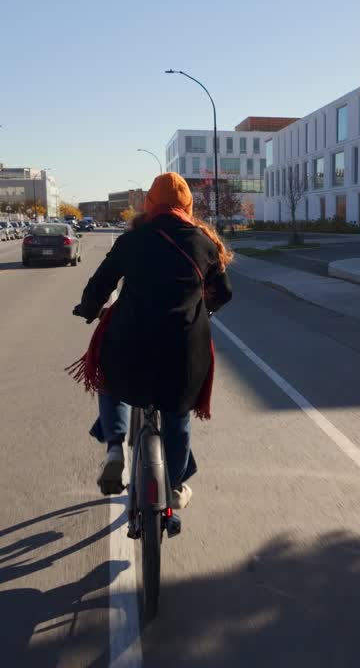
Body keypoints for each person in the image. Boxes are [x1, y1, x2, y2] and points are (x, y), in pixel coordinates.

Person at [70, 172, 234, 510]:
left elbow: (100, 285)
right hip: (183, 350)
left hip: (131, 343)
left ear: (149, 204)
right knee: (177, 416)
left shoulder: (132, 240)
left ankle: (115, 445)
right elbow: (223, 293)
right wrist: (205, 309)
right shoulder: (204, 243)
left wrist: (88, 310)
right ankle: (173, 488)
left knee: (110, 378)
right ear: (188, 205)